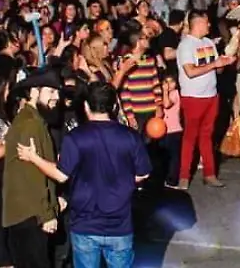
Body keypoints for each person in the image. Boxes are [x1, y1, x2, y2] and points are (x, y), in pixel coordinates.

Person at [16, 82, 151, 268]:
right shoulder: (130, 137)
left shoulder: (76, 138)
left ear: (86, 106)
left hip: (85, 224)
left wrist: (33, 157)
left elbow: (61, 175)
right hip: (120, 225)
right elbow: (142, 174)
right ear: (113, 106)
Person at [3, 70, 63, 268]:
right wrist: (46, 214)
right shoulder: (30, 123)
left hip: (26, 212)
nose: (57, 97)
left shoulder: (33, 119)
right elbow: (33, 174)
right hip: (30, 214)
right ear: (34, 92)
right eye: (51, 92)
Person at [175, 10, 233, 189]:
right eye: (206, 22)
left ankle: (210, 173)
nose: (209, 25)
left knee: (207, 136)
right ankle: (184, 176)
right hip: (193, 97)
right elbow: (190, 72)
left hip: (211, 95)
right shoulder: (185, 45)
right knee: (190, 137)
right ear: (198, 23)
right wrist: (215, 64)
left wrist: (224, 62)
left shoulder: (208, 42)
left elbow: (216, 70)